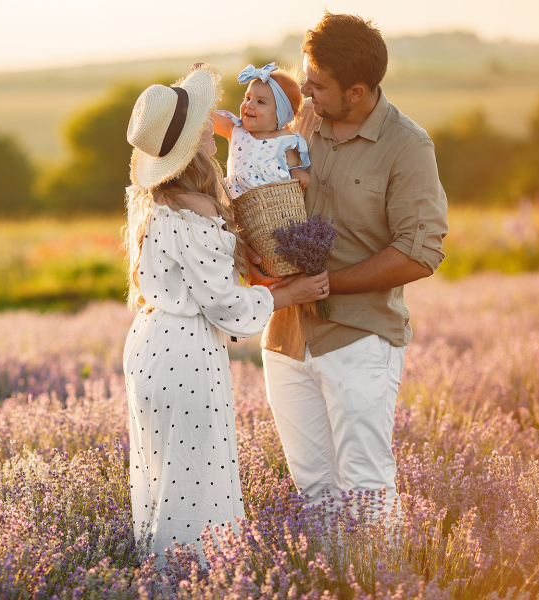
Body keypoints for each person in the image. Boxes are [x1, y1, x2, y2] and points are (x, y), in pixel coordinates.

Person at [122, 64, 329, 564]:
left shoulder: (153, 200)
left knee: (162, 477)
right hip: (186, 353)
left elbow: (199, 280)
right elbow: (225, 305)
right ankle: (199, 580)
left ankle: (162, 578)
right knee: (197, 480)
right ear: (193, 145)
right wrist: (288, 292)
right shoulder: (198, 207)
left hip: (149, 345)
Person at [249, 13, 449, 514]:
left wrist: (324, 285)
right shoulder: (303, 123)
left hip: (360, 337)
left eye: (316, 86)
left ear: (357, 91)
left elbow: (420, 252)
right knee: (312, 490)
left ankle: (386, 588)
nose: (305, 96)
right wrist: (253, 257)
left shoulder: (408, 146)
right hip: (286, 335)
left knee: (365, 487)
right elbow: (262, 194)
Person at [212, 62, 312, 199]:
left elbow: (292, 167)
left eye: (261, 102)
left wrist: (297, 173)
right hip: (238, 206)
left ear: (280, 115)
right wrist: (202, 81)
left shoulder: (285, 138)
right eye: (247, 98)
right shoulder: (235, 129)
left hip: (272, 209)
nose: (249, 105)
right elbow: (206, 117)